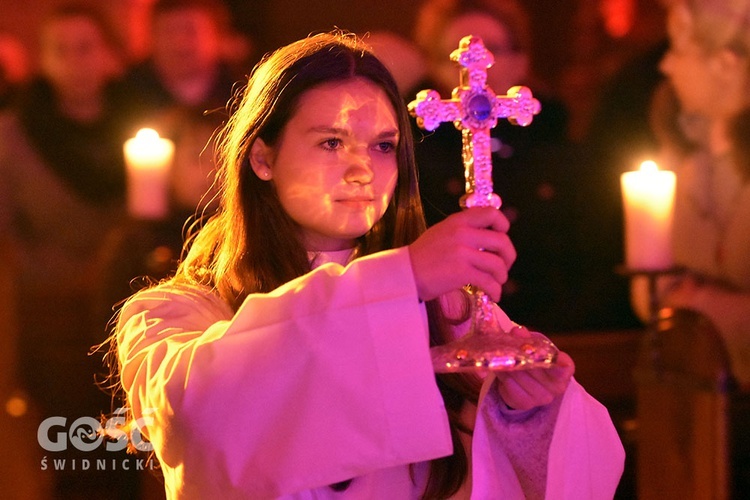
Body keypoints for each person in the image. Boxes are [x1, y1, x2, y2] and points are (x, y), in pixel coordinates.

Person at [104, 31, 625, 499]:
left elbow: (589, 470)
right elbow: (200, 419)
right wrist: (402, 279)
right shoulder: (171, 314)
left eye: (382, 147)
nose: (362, 170)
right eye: (331, 142)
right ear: (262, 158)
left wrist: (523, 413)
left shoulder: (448, 311)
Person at [0, 4, 140, 498]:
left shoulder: (141, 120)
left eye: (86, 48)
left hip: (135, 301)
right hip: (56, 310)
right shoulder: (15, 136)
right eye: (61, 51)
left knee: (136, 444)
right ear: (44, 61)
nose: (76, 62)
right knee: (72, 446)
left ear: (108, 56)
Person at [408, 0, 605, 331]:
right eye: (450, 56)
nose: (471, 71)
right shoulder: (412, 160)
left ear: (520, 61)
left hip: (555, 332)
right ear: (431, 66)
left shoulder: (561, 157)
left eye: (491, 50)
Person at [631, 0, 750, 389]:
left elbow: (675, 303)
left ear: (727, 65)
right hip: (692, 393)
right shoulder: (680, 155)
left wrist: (695, 304)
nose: (665, 65)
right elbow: (649, 292)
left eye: (679, 50)